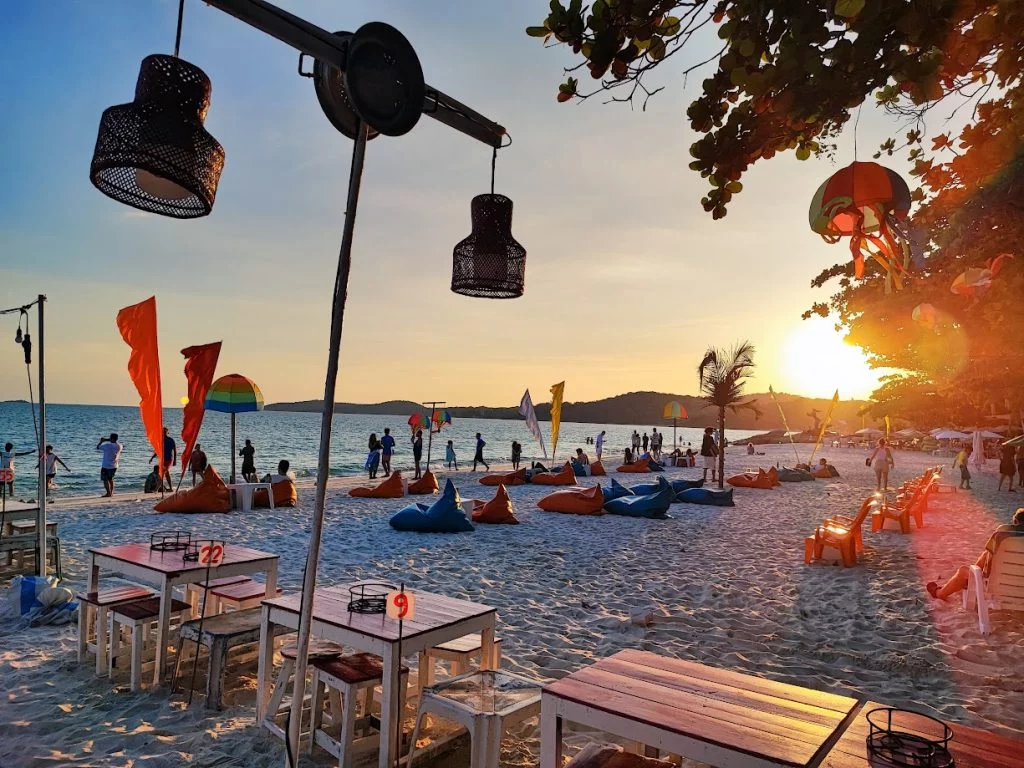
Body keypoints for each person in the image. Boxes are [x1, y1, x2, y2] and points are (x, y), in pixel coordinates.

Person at [927, 508, 1024, 600]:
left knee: (963, 571)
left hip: (1000, 585)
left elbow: (988, 562)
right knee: (987, 554)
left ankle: (939, 593)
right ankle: (969, 576)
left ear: (1015, 522)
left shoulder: (1003, 533)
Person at [150, 426, 177, 491]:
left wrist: (175, 461)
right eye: (162, 432)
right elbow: (157, 451)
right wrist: (152, 458)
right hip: (162, 460)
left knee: (162, 473)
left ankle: (156, 489)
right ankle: (170, 488)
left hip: (168, 460)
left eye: (165, 432)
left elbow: (175, 451)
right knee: (167, 474)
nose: (163, 433)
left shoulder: (171, 440)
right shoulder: (160, 440)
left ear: (167, 432)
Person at [96, 433, 123, 497]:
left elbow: (98, 447)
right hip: (114, 466)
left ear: (112, 438)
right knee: (110, 479)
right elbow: (114, 442)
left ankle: (108, 493)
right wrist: (107, 440)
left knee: (105, 480)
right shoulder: (120, 446)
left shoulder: (107, 445)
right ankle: (111, 493)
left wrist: (101, 441)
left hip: (106, 465)